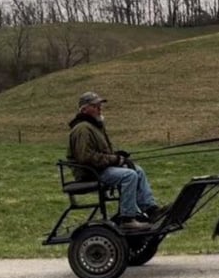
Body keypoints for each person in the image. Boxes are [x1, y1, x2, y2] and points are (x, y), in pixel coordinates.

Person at [67, 91, 168, 229]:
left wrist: (117, 155)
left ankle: (151, 210)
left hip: (100, 168)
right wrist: (115, 159)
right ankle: (127, 218)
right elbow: (86, 157)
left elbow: (99, 153)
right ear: (84, 109)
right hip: (91, 173)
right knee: (129, 175)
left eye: (99, 105)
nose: (99, 108)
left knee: (137, 170)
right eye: (95, 106)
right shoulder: (82, 129)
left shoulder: (94, 126)